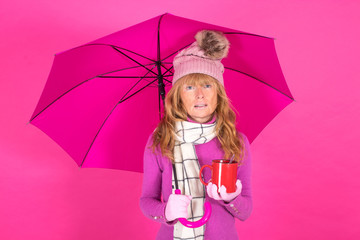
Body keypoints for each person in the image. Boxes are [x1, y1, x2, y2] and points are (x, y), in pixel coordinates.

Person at [140, 30, 252, 240]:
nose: (200, 94)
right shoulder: (160, 140)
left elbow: (246, 211)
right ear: (178, 96)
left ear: (219, 93)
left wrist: (232, 199)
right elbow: (146, 200)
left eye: (207, 85)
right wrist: (167, 212)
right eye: (190, 87)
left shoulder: (237, 141)